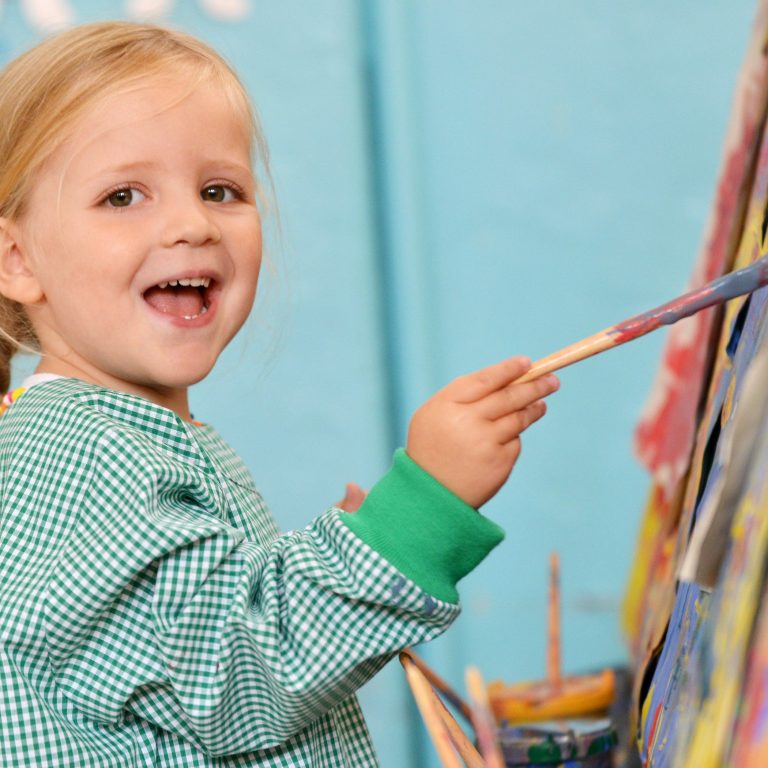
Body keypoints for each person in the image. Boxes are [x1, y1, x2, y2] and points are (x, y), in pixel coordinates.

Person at [0, 21, 559, 767]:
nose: (191, 223)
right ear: (16, 258)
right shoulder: (87, 458)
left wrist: (335, 552)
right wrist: (415, 516)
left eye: (219, 189)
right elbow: (237, 677)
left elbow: (193, 640)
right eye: (124, 195)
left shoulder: (106, 440)